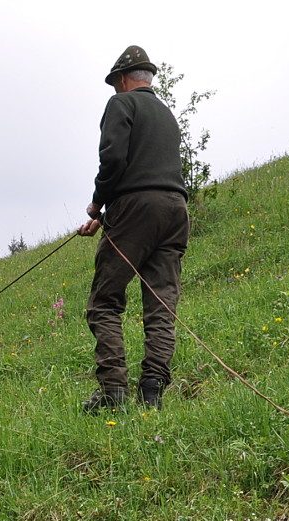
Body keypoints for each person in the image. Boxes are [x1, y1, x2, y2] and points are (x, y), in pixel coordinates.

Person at [78, 45, 190, 412]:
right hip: (175, 210)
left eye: (115, 84)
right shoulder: (168, 115)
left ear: (123, 80)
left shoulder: (121, 105)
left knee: (104, 302)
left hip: (136, 209)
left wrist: (98, 203)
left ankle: (113, 393)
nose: (114, 90)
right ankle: (153, 390)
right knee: (161, 303)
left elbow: (113, 158)